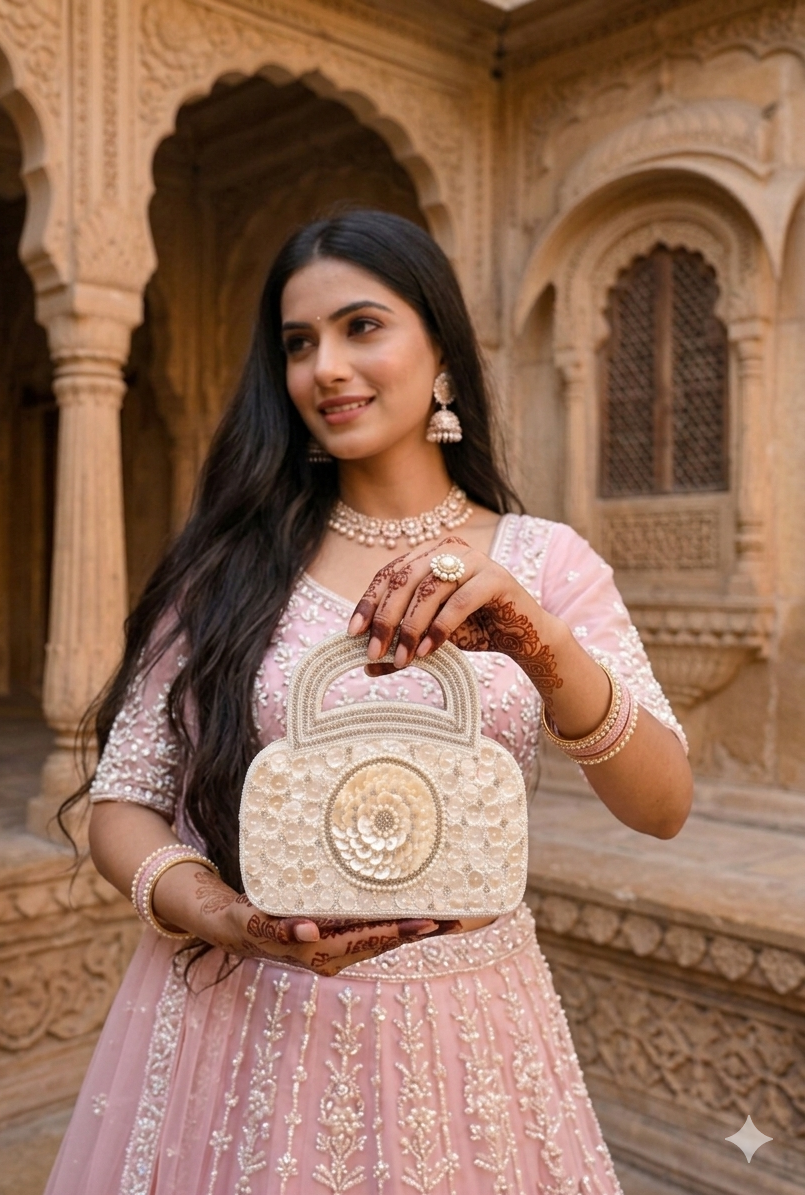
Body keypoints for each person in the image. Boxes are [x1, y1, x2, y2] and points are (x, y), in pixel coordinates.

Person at [45, 209, 692, 1195]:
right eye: (298, 344)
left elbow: (662, 806)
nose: (325, 369)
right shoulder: (230, 566)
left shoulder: (540, 561)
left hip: (467, 1026)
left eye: (360, 327)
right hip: (250, 1018)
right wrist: (222, 915)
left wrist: (533, 637)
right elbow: (122, 801)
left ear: (437, 349)